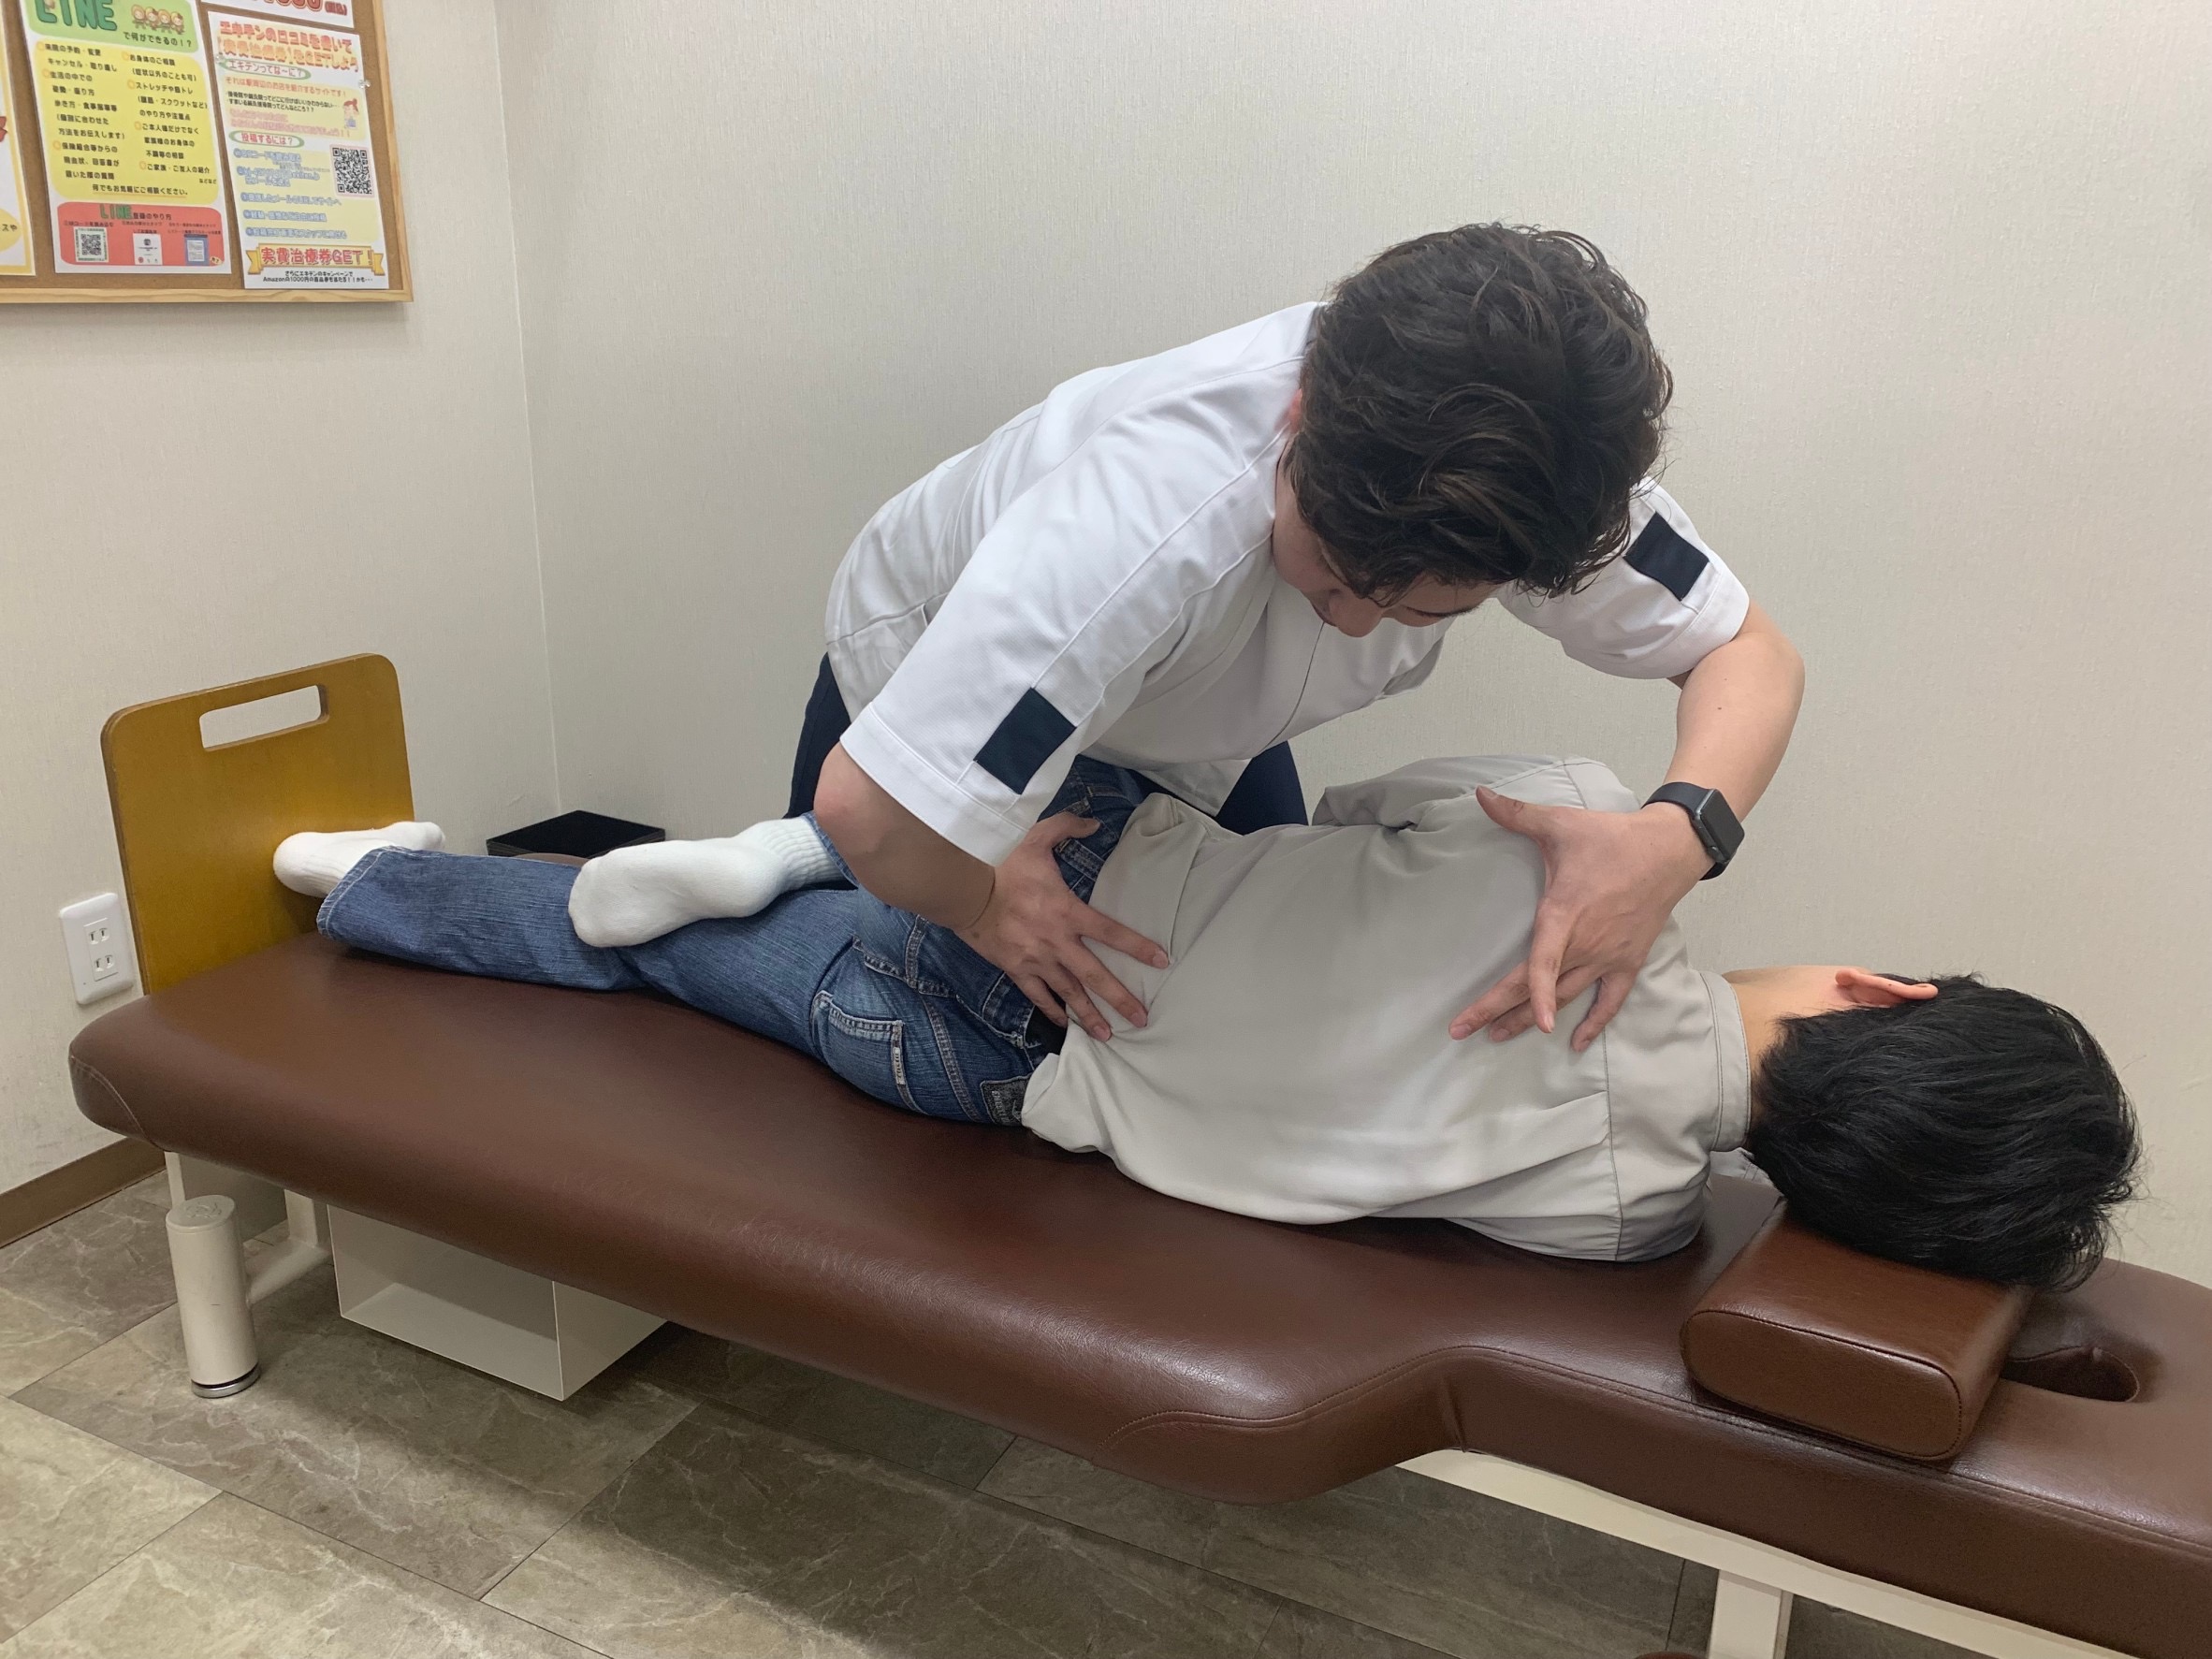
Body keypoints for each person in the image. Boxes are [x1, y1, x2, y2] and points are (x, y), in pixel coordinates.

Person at [272, 752, 2135, 1289]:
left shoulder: (1575, 821)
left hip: (1058, 879)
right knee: (659, 950)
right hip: (995, 1066)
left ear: (1885, 985)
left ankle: (791, 841)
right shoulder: (1631, 1219)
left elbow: (1360, 805)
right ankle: (397, 888)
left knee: (1207, 774)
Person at [790, 223, 1807, 1057]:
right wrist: (981, 902)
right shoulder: (1136, 531)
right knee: (928, 1012)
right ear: (1302, 407)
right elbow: (870, 814)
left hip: (1193, 714)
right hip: (928, 680)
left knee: (1218, 1002)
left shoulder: (1547, 476)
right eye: (1330, 574)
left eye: (1422, 612)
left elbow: (1751, 655)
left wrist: (1676, 840)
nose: (1356, 622)